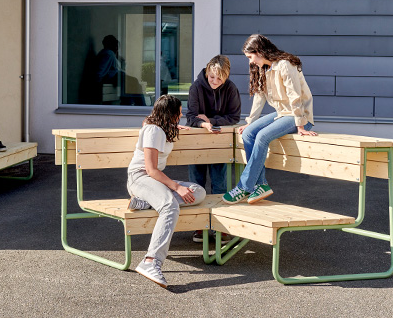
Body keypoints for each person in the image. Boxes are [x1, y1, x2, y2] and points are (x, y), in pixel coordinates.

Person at [223, 34, 316, 205]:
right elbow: (259, 97)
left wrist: (300, 125)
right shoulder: (263, 68)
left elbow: (295, 96)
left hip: (299, 115)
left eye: (250, 57)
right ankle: (261, 184)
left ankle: (245, 186)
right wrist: (250, 121)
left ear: (259, 52)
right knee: (248, 133)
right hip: (282, 113)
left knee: (262, 136)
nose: (250, 62)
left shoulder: (285, 65)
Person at [126, 95, 205, 288]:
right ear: (170, 113)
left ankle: (145, 203)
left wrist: (173, 126)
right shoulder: (153, 130)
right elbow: (151, 170)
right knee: (170, 206)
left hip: (152, 181)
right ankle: (151, 261)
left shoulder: (161, 127)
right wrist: (176, 187)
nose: (181, 116)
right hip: (140, 178)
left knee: (197, 192)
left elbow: (148, 121)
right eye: (179, 113)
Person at [185, 54, 242, 243]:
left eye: (219, 78)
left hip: (219, 141)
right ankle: (199, 226)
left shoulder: (231, 89)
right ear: (207, 72)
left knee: (219, 184)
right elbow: (191, 117)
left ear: (226, 76)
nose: (215, 81)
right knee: (196, 184)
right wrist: (203, 124)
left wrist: (210, 120)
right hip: (197, 142)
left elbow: (234, 117)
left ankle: (220, 226)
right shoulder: (196, 87)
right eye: (211, 77)